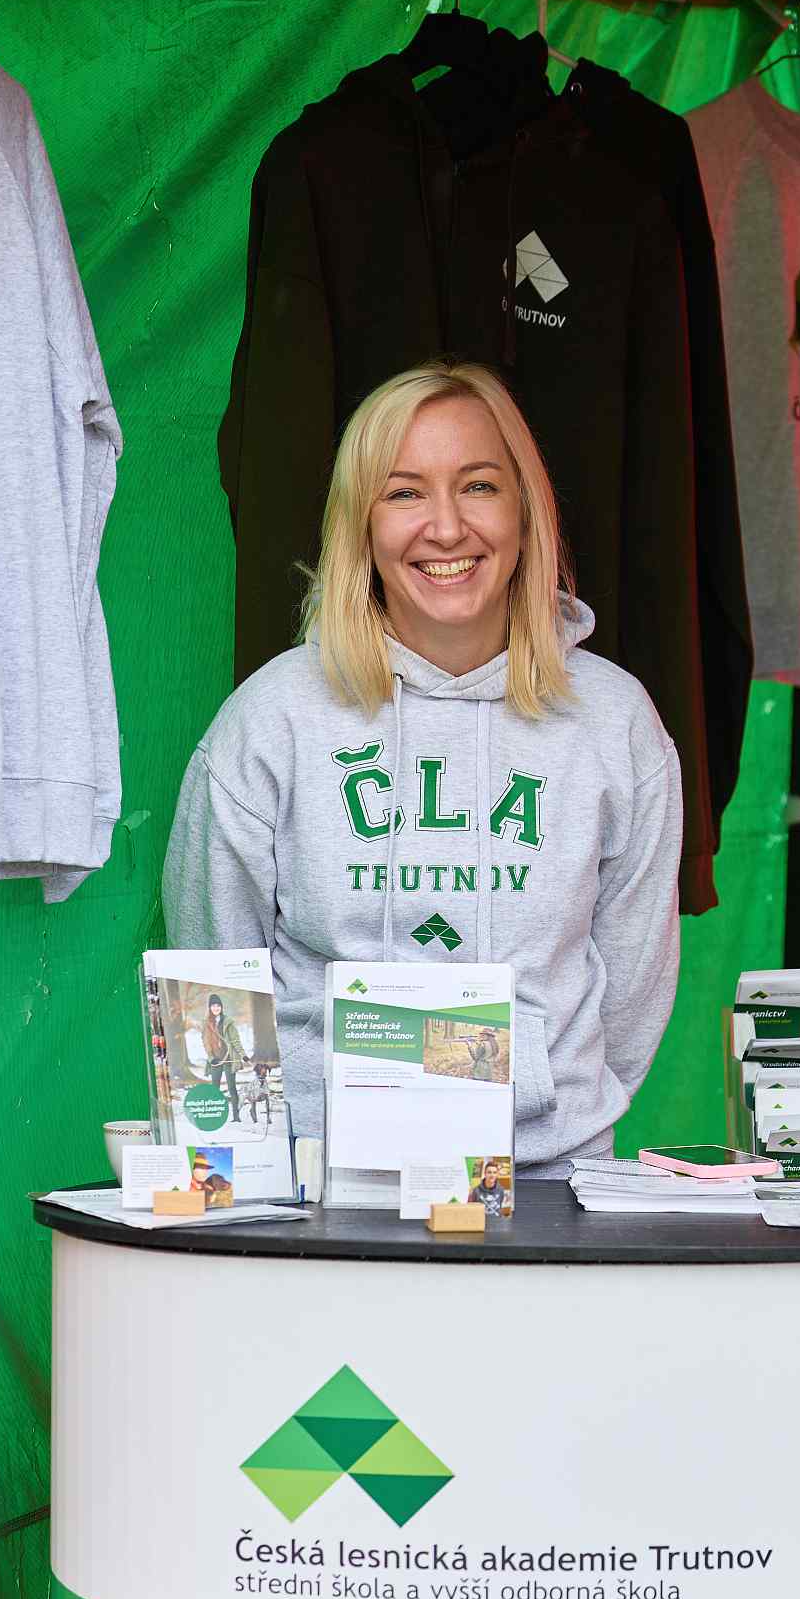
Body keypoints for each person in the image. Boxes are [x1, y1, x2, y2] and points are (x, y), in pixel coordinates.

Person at [164, 361, 683, 1177]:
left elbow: (632, 993)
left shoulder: (613, 723)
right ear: (361, 526)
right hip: (319, 1188)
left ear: (525, 512)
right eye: (404, 493)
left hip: (547, 1182)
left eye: (478, 486)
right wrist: (265, 1180)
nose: (446, 528)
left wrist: (539, 1098)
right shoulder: (272, 720)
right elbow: (210, 979)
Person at [197, 991, 244, 1122]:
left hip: (229, 1059)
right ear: (209, 1008)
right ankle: (216, 1116)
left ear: (221, 1007)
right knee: (215, 1089)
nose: (216, 1008)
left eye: (218, 1005)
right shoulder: (206, 1023)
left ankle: (236, 1117)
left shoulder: (228, 1022)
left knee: (232, 1088)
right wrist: (211, 1058)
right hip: (215, 1061)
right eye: (213, 1006)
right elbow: (206, 1042)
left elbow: (235, 1040)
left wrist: (243, 1055)